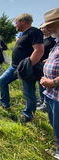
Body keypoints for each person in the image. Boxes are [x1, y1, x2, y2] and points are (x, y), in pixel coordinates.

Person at [0, 13, 44, 123]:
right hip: (14, 67)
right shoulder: (23, 34)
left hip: (25, 68)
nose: (15, 25)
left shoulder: (34, 32)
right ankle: (4, 103)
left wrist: (28, 66)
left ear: (23, 21)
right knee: (2, 81)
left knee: (28, 92)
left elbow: (39, 50)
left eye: (16, 22)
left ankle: (28, 115)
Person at [39, 7, 59, 159]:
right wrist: (49, 61)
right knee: (54, 123)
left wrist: (53, 82)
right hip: (52, 94)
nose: (46, 28)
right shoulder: (56, 42)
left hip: (56, 92)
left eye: (50, 25)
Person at [37, 25, 56, 110]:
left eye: (43, 27)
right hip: (40, 65)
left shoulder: (53, 40)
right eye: (40, 28)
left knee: (47, 84)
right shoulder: (41, 39)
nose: (42, 29)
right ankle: (42, 100)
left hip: (49, 65)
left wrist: (48, 60)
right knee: (41, 82)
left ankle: (46, 103)